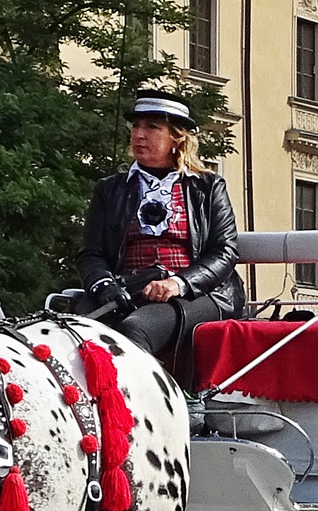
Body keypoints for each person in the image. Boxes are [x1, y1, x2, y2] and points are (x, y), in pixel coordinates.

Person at [75, 90, 243, 360]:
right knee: (71, 329)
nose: (139, 135)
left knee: (135, 329)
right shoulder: (110, 189)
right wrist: (105, 286)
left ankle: (137, 401)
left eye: (152, 127)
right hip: (128, 289)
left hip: (197, 293)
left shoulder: (208, 187)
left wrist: (177, 283)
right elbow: (91, 253)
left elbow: (224, 251)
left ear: (178, 138)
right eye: (136, 126)